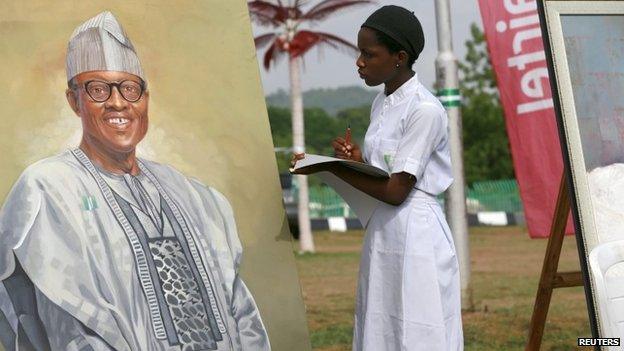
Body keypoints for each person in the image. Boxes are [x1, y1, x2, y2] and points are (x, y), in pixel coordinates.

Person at [0, 11, 270, 351]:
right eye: (98, 89)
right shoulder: (48, 190)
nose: (118, 102)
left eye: (130, 89)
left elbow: (241, 312)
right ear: (74, 101)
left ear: (145, 99)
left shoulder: (197, 196)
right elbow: (65, 326)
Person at [292, 5, 463, 351]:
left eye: (369, 54)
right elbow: (385, 168)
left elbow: (397, 189)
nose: (359, 62)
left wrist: (331, 167)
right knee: (381, 323)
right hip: (384, 230)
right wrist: (355, 159)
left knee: (418, 327)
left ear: (400, 57)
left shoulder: (424, 110)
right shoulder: (382, 103)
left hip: (416, 232)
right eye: (360, 52)